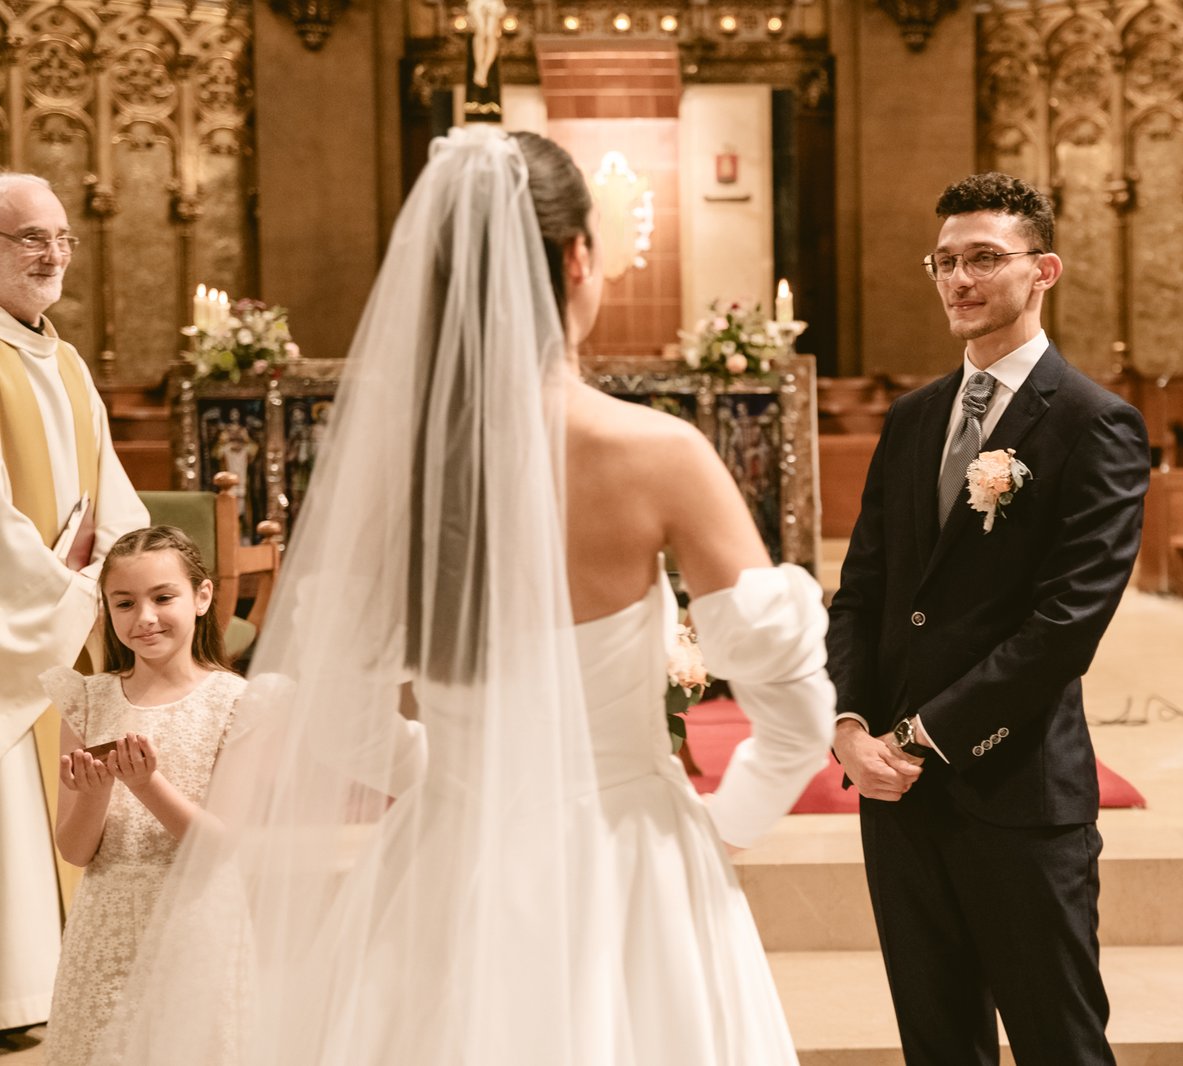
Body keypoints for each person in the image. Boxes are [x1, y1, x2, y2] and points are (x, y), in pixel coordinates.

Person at [100, 126, 834, 1066]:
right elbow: (796, 713)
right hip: (630, 856)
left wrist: (453, 782)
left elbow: (340, 716)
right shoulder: (661, 457)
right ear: (578, 257)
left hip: (449, 854)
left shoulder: (401, 471)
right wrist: (720, 825)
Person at [826, 172, 1149, 1066]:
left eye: (984, 259)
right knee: (937, 1045)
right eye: (945, 261)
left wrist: (926, 735)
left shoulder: (1096, 424)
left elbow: (1067, 623)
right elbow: (863, 590)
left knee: (1059, 1045)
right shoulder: (912, 418)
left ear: (1043, 270)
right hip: (894, 796)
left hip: (1014, 792)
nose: (959, 280)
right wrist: (850, 724)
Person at [0, 172, 149, 1036]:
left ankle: (59, 977)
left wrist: (118, 577)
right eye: (29, 237)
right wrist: (63, 587)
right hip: (23, 612)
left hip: (67, 605)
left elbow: (110, 490)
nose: (52, 252)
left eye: (61, 236)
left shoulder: (66, 358)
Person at [41, 526, 247, 1065]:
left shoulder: (235, 703)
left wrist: (145, 785)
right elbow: (76, 850)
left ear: (201, 598)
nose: (144, 617)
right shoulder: (87, 700)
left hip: (196, 921)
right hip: (105, 924)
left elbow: (222, 847)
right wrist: (95, 792)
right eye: (125, 603)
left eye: (163, 597)